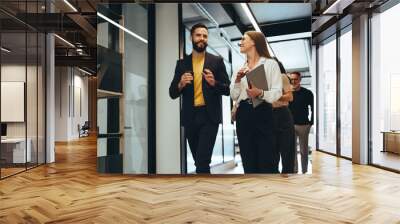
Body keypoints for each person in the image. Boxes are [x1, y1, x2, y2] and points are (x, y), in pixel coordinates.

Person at [169, 23, 230, 174]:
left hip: (210, 117)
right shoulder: (182, 64)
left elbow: (228, 89)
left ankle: (203, 194)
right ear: (191, 38)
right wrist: (181, 84)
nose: (202, 38)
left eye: (205, 36)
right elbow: (172, 93)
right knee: (199, 161)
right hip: (190, 117)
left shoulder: (217, 61)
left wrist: (213, 83)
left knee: (203, 161)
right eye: (198, 35)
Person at [230, 31, 282, 174]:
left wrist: (261, 93)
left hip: (263, 111)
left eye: (243, 39)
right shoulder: (238, 69)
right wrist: (237, 80)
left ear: (254, 42)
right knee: (248, 160)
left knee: (268, 159)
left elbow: (277, 92)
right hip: (243, 114)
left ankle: (269, 193)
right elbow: (234, 95)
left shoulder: (270, 64)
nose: (240, 42)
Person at [271, 58, 296, 174]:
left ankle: (287, 177)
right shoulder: (265, 80)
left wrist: (274, 96)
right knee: (272, 151)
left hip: (282, 114)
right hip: (269, 115)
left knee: (287, 150)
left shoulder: (282, 77)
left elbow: (290, 97)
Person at [288, 72, 314, 174]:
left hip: (303, 125)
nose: (293, 81)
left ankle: (304, 171)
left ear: (300, 80)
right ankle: (295, 171)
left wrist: (311, 123)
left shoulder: (307, 93)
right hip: (290, 126)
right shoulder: (287, 93)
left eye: (295, 79)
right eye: (292, 80)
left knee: (304, 151)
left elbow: (313, 108)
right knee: (292, 151)